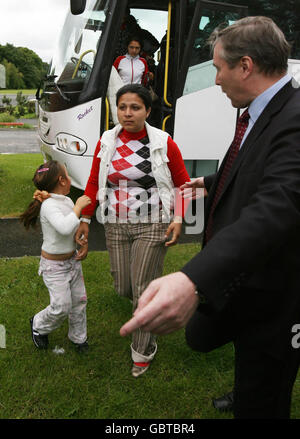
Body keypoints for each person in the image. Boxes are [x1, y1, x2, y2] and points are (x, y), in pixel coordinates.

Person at [120, 17, 300, 418]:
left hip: (278, 290)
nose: (216, 80)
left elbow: (277, 207)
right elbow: (258, 165)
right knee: (221, 343)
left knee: (266, 391)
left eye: (218, 68)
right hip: (248, 278)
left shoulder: (296, 119)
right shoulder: (267, 108)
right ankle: (245, 388)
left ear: (246, 66)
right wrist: (210, 180)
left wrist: (192, 279)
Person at [75, 83, 190, 377]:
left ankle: (143, 349)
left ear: (148, 111)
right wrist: (85, 220)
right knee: (123, 287)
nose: (127, 113)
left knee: (141, 289)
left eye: (135, 107)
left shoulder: (164, 143)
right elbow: (92, 182)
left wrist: (178, 218)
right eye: (122, 107)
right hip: (115, 223)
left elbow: (183, 185)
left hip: (153, 223)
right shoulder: (107, 141)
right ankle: (145, 304)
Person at [20, 160, 91, 352]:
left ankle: (79, 338)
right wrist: (78, 207)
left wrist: (81, 242)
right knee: (61, 306)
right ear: (62, 180)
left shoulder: (65, 201)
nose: (69, 179)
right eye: (67, 175)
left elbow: (71, 229)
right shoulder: (49, 205)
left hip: (72, 261)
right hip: (54, 266)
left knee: (79, 301)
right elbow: (63, 227)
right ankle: (38, 325)